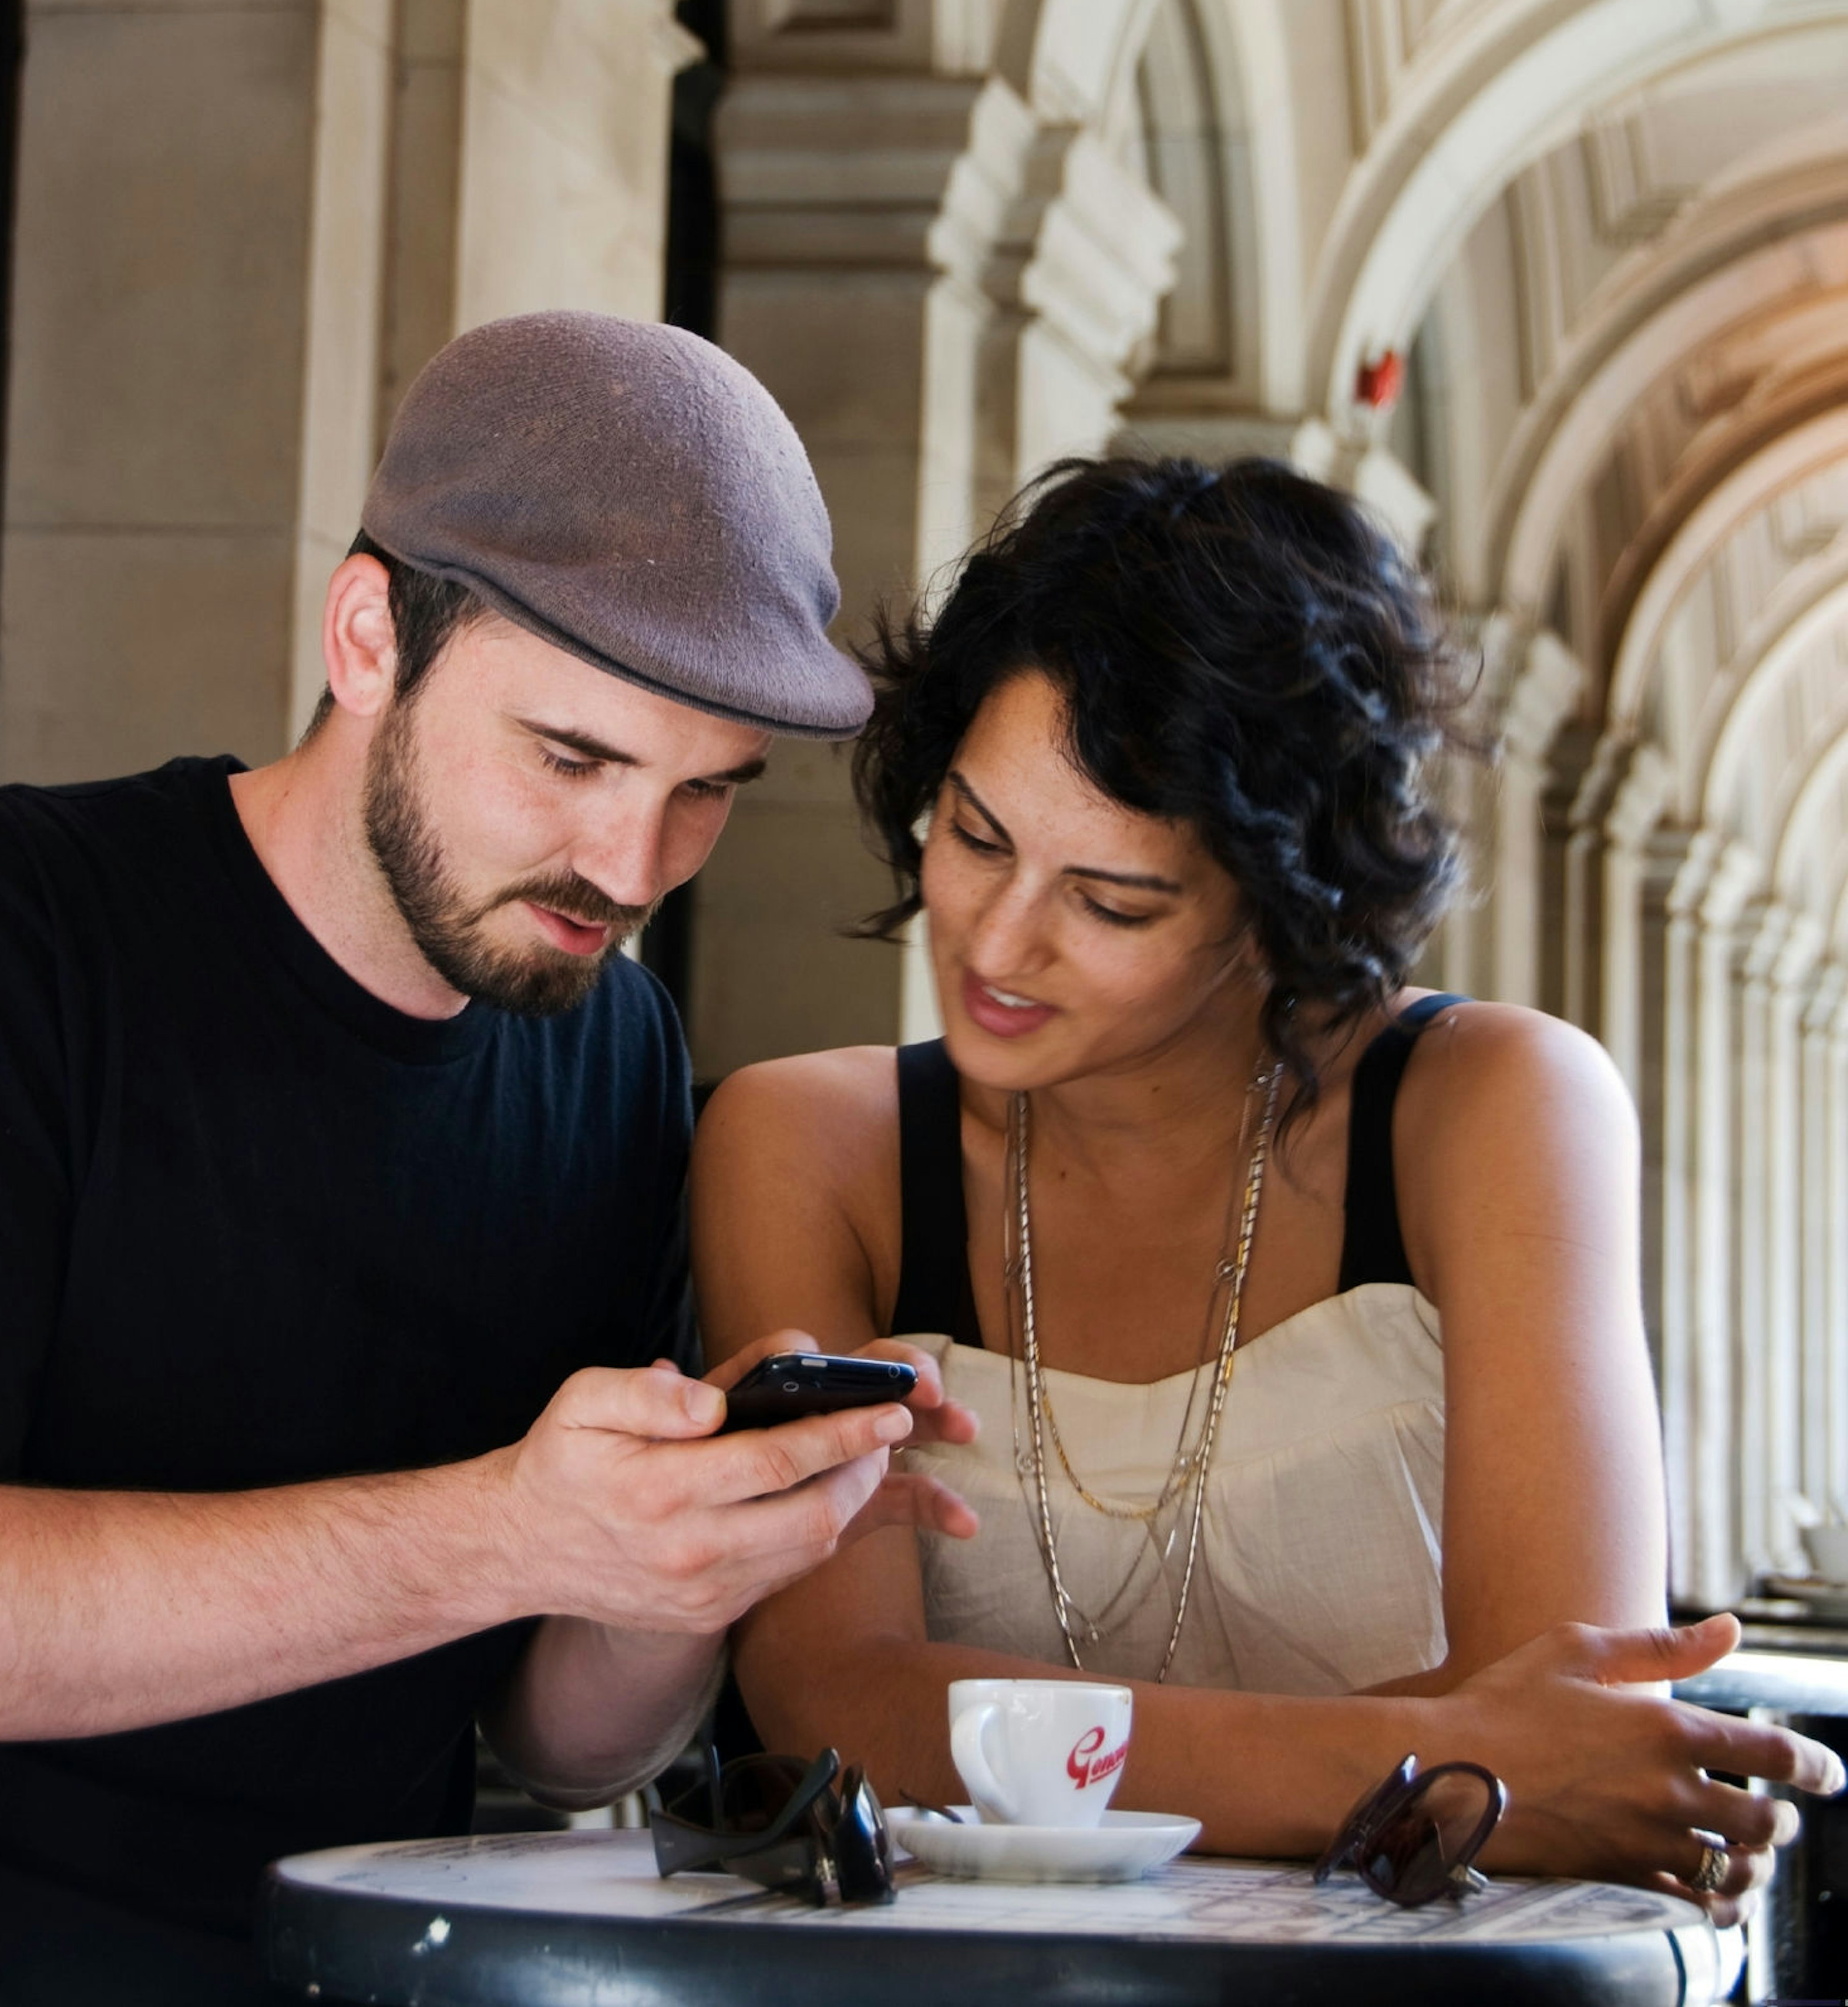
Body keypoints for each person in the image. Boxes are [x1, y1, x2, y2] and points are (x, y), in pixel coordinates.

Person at [0, 311, 974, 2006]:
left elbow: (556, 1737)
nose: (632, 859)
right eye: (571, 754)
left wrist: (690, 1536)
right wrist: (500, 1529)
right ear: (369, 633)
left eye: (706, 790)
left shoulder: (615, 1051)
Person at [695, 453, 1843, 1919]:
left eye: (1113, 899)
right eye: (976, 834)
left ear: (1280, 907)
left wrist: (992, 1745)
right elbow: (834, 1714)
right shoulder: (804, 1143)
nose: (994, 941)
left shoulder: (1492, 1106)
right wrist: (1434, 1748)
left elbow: (1571, 1719)